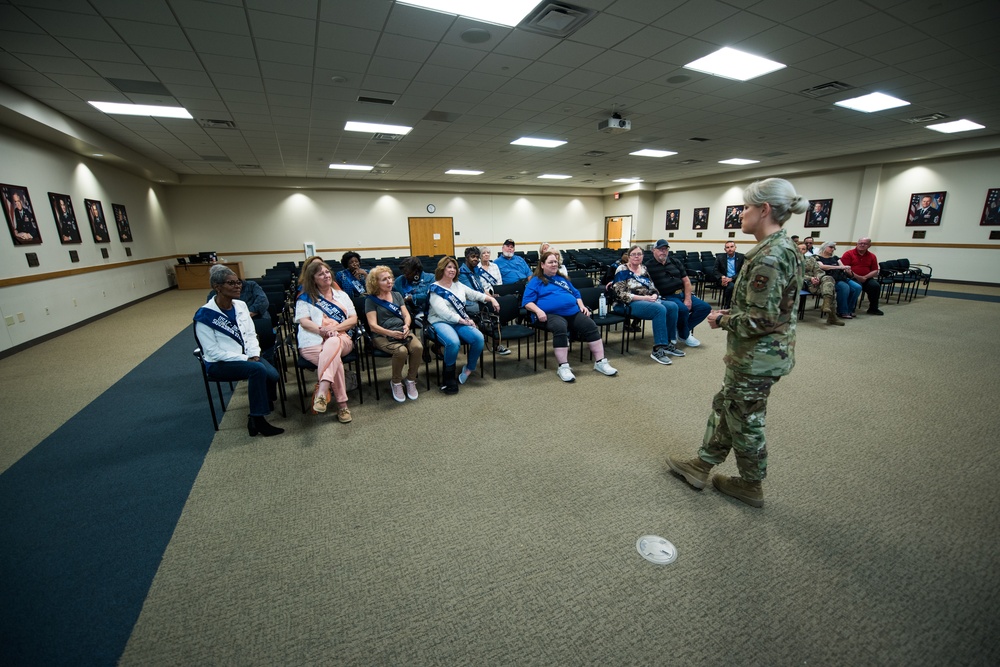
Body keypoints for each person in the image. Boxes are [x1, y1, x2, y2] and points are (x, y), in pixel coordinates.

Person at [667, 178, 806, 508]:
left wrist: (721, 320)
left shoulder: (770, 257)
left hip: (758, 356)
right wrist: (737, 310)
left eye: (745, 207)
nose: (741, 214)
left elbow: (764, 320)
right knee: (728, 406)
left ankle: (750, 484)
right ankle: (702, 465)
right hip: (760, 354)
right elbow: (773, 308)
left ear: (764, 210)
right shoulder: (782, 249)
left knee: (746, 419)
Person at [194, 264, 283, 437]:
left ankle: (261, 404)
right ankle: (257, 419)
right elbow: (212, 352)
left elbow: (251, 334)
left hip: (247, 356)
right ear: (217, 287)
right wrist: (245, 359)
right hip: (219, 363)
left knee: (273, 375)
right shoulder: (204, 316)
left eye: (238, 282)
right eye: (231, 283)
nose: (238, 286)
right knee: (257, 370)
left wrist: (255, 354)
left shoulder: (241, 306)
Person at [522, 250, 618, 382]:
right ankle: (563, 367)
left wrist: (582, 306)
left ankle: (600, 362)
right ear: (542, 265)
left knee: (590, 325)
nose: (554, 264)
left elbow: (576, 293)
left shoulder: (562, 279)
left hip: (572, 312)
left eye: (556, 261)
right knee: (560, 327)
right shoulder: (536, 281)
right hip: (550, 314)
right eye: (550, 262)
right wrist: (538, 311)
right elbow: (527, 302)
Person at [296, 261, 357, 423]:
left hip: (342, 338)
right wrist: (321, 330)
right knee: (334, 361)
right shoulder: (305, 298)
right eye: (320, 274)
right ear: (313, 279)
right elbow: (304, 322)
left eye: (327, 272)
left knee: (334, 341)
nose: (326, 275)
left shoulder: (341, 295)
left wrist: (335, 330)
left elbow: (353, 319)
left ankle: (322, 390)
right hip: (312, 342)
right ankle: (342, 406)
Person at [428, 256, 499, 394]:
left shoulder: (458, 285)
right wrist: (463, 320)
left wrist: (491, 300)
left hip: (459, 321)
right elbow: (443, 312)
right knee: (453, 342)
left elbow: (475, 295)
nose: (452, 270)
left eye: (454, 267)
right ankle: (448, 377)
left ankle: (469, 368)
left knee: (478, 337)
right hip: (440, 321)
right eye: (449, 267)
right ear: (442, 269)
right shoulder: (435, 288)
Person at [608, 245, 684, 364]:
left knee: (672, 306)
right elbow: (621, 293)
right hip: (628, 303)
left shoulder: (643, 269)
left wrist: (654, 295)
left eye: (639, 254)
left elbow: (652, 287)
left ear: (643, 256)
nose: (636, 256)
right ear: (629, 256)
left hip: (647, 300)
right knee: (659, 309)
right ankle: (658, 349)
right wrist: (644, 298)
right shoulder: (622, 269)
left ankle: (668, 343)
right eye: (633, 254)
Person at [364, 266, 422, 403]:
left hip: (402, 331)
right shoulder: (370, 300)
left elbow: (406, 315)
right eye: (384, 279)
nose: (389, 281)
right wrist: (391, 333)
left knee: (418, 348)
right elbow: (372, 326)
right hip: (382, 335)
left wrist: (407, 326)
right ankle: (396, 382)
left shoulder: (396, 295)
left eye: (390, 278)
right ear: (375, 283)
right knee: (401, 351)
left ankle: (410, 380)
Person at [644, 239, 711, 347]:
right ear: (653, 250)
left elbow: (686, 281)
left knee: (705, 308)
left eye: (665, 249)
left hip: (682, 294)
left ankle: (681, 331)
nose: (663, 252)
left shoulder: (675, 262)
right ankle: (685, 334)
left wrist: (688, 299)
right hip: (667, 296)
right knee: (683, 309)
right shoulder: (648, 266)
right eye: (660, 249)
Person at [458, 246, 510, 355]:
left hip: (479, 300)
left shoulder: (475, 270)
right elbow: (472, 294)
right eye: (473, 257)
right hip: (469, 303)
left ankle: (497, 342)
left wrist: (491, 297)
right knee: (493, 308)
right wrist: (489, 300)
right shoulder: (461, 273)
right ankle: (496, 343)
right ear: (466, 258)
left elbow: (481, 288)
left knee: (501, 302)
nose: (476, 259)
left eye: (477, 257)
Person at [798, 242, 844, 326]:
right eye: (799, 249)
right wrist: (810, 278)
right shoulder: (790, 261)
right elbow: (794, 274)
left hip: (816, 282)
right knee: (831, 291)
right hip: (803, 283)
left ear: (806, 251)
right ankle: (832, 317)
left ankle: (826, 303)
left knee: (828, 280)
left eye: (803, 249)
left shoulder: (811, 259)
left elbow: (819, 271)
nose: (801, 250)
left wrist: (817, 278)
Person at [816, 241, 862, 319]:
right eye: (831, 247)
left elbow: (842, 266)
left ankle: (849, 309)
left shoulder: (835, 258)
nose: (833, 249)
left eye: (834, 248)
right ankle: (842, 311)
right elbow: (823, 267)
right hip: (829, 279)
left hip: (841, 277)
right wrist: (839, 267)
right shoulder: (817, 257)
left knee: (857, 287)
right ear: (824, 247)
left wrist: (847, 269)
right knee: (844, 287)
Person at [841, 237, 884, 315]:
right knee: (856, 286)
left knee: (875, 286)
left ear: (869, 246)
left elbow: (875, 270)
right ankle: (851, 308)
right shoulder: (848, 254)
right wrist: (858, 277)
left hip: (866, 278)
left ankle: (873, 308)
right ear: (856, 244)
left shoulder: (872, 256)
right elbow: (845, 269)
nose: (862, 245)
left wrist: (865, 277)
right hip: (852, 277)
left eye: (865, 244)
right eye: (860, 243)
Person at [714, 241, 745, 309]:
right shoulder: (720, 257)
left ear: (735, 248)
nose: (730, 249)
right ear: (725, 249)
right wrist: (722, 277)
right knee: (731, 287)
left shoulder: (741, 257)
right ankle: (727, 306)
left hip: (737, 278)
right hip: (724, 279)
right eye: (727, 247)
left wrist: (732, 278)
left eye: (731, 247)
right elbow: (715, 270)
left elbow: (742, 271)